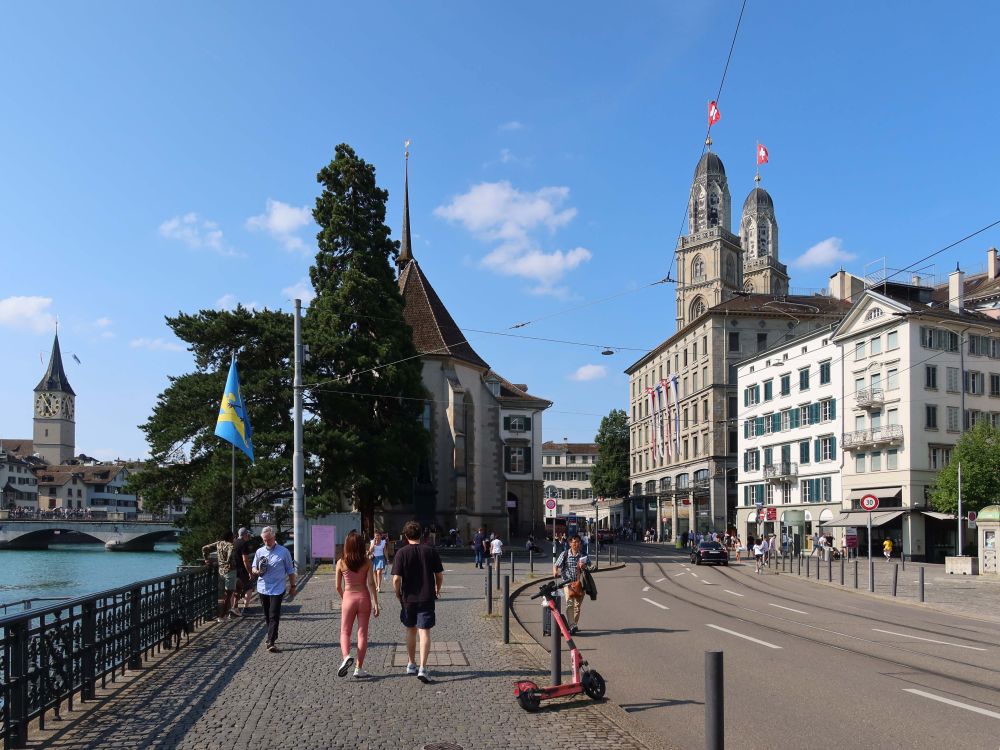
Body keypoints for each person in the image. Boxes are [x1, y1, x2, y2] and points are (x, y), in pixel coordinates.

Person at [391, 520, 444, 684]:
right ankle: (423, 667)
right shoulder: (430, 551)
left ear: (405, 536)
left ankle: (411, 664)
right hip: (427, 596)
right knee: (425, 631)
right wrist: (437, 588)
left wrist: (398, 594)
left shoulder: (401, 553)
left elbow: (396, 579)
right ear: (421, 534)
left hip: (409, 598)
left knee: (410, 630)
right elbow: (439, 575)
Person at [336, 530, 380, 678]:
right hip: (363, 598)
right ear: (361, 546)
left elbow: (337, 586)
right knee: (362, 634)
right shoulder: (367, 562)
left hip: (348, 597)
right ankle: (358, 668)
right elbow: (371, 583)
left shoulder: (341, 562)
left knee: (345, 632)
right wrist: (376, 603)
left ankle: (346, 657)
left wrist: (344, 598)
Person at [252, 526, 296, 653]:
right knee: (267, 615)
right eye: (264, 540)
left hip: (277, 588)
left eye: (269, 540)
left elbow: (290, 571)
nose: (267, 543)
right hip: (262, 588)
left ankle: (270, 641)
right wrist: (256, 571)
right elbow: (254, 566)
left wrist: (293, 586)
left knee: (274, 615)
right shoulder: (259, 552)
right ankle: (273, 635)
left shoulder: (284, 552)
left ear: (274, 537)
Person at [553, 534, 592, 635]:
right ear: (570, 543)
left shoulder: (583, 554)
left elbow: (590, 566)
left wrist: (584, 566)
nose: (576, 544)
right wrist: (555, 571)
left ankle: (573, 625)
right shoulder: (565, 554)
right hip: (568, 583)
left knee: (577, 606)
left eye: (578, 542)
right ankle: (571, 625)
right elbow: (556, 565)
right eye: (574, 542)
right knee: (569, 604)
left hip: (580, 583)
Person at [202, 531, 238, 621]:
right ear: (230, 538)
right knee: (228, 594)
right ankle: (222, 616)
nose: (234, 539)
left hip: (220, 571)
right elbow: (230, 558)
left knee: (224, 595)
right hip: (230, 571)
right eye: (233, 537)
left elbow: (204, 548)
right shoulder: (231, 546)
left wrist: (206, 559)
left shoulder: (218, 543)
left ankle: (224, 614)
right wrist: (228, 563)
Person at [233, 527, 254, 614]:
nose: (248, 537)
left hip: (233, 570)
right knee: (249, 588)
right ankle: (246, 608)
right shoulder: (243, 544)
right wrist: (250, 572)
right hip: (242, 570)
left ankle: (234, 608)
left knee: (235, 589)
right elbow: (245, 560)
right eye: (247, 535)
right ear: (245, 535)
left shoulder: (233, 543)